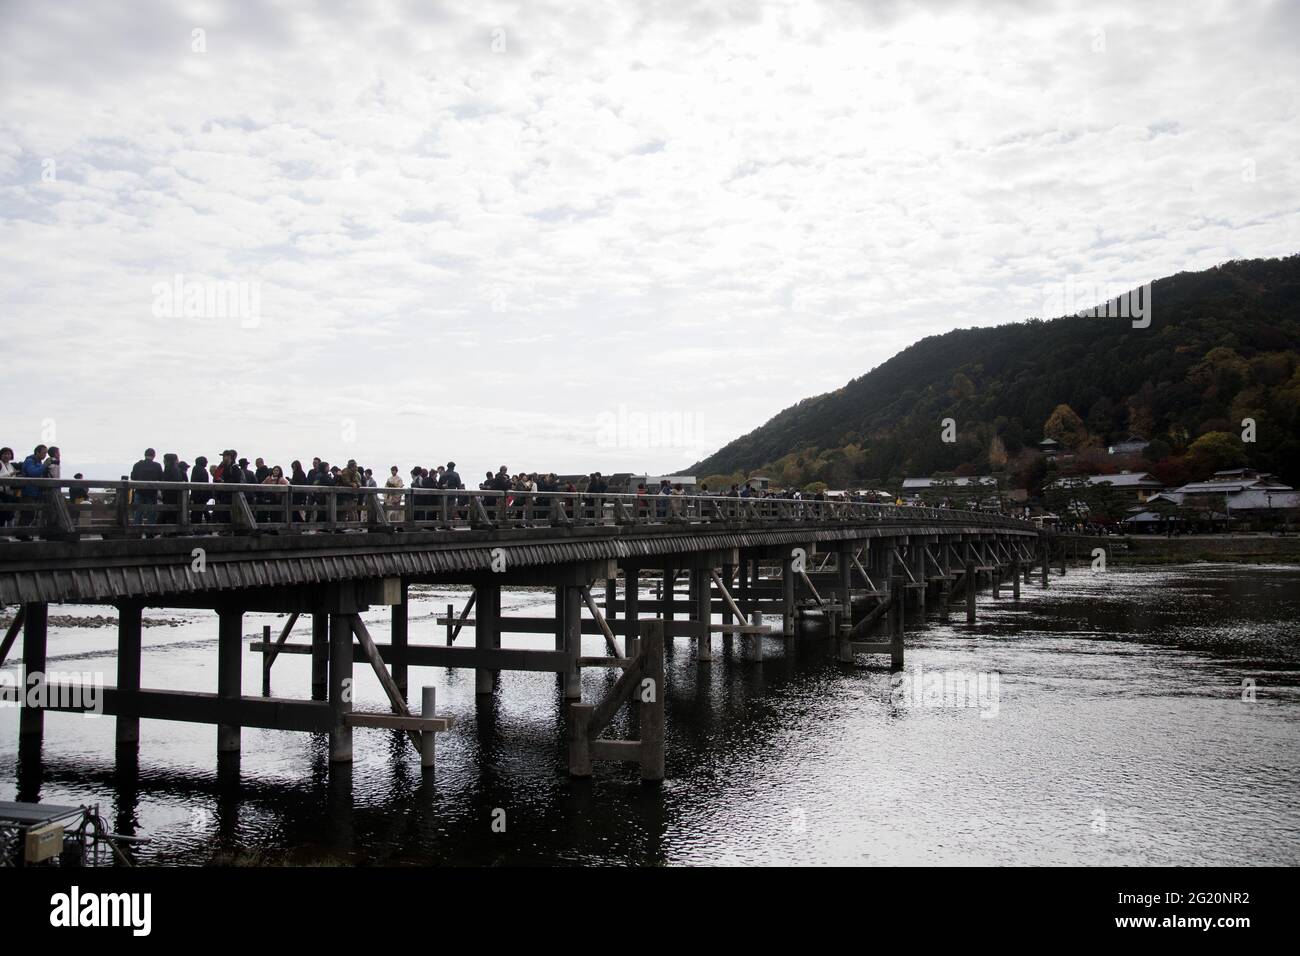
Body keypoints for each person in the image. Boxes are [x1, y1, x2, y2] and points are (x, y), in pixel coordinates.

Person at [190, 456, 210, 525]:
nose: (207, 462)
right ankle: (198, 528)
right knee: (199, 512)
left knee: (197, 512)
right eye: (205, 461)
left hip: (197, 494)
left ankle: (196, 527)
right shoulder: (202, 470)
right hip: (200, 495)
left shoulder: (196, 469)